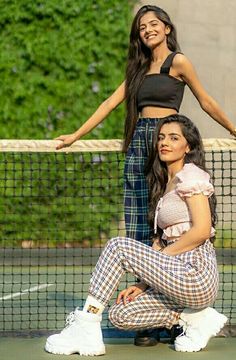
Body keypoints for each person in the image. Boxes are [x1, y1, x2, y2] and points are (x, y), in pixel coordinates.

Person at [55, 4, 236, 345]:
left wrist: (232, 127)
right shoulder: (138, 70)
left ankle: (173, 309)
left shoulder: (178, 62)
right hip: (139, 144)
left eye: (154, 24)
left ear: (167, 28)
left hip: (161, 141)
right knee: (139, 225)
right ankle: (151, 318)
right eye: (142, 27)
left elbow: (206, 99)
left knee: (163, 223)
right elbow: (108, 104)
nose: (148, 29)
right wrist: (75, 135)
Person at [45, 115, 227, 356]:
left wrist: (160, 257)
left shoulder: (191, 175)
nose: (165, 142)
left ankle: (86, 324)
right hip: (174, 275)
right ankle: (195, 318)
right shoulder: (164, 183)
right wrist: (143, 284)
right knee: (121, 314)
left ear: (189, 146)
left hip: (195, 273)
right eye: (161, 137)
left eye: (174, 138)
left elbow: (202, 230)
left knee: (118, 246)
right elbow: (160, 245)